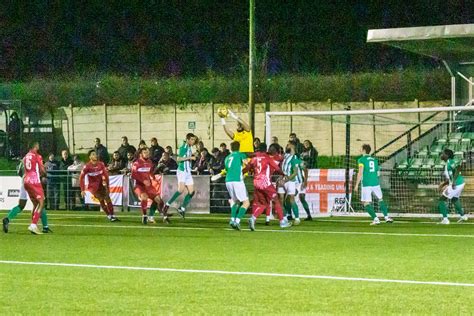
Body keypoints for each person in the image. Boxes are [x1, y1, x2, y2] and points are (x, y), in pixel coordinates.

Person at [246, 143, 291, 230]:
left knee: (264, 204)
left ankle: (253, 219)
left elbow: (249, 164)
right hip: (265, 183)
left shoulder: (256, 156)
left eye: (272, 148)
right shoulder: (268, 158)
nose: (270, 150)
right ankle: (282, 222)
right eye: (270, 148)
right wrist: (284, 174)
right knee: (276, 200)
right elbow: (277, 168)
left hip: (256, 183)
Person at [2, 158, 51, 234]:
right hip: (32, 182)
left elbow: (18, 172)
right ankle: (43, 227)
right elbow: (43, 173)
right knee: (40, 204)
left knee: (21, 205)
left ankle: (7, 219)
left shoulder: (25, 161)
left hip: (24, 180)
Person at [354, 144, 393, 225]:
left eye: (360, 148)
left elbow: (360, 172)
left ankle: (376, 219)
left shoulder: (361, 160)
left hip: (366, 183)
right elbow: (378, 173)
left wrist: (356, 184)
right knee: (380, 199)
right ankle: (386, 217)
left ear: (364, 150)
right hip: (375, 183)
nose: (359, 149)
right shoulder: (374, 160)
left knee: (365, 202)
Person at [215, 141, 249, 230]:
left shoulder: (227, 157)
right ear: (239, 147)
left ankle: (232, 220)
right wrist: (245, 172)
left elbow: (227, 169)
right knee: (246, 203)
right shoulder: (241, 154)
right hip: (237, 180)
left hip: (228, 181)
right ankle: (237, 221)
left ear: (230, 148)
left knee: (235, 201)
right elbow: (247, 164)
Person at [162, 133, 197, 218]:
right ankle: (167, 205)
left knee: (191, 192)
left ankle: (182, 208)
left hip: (188, 172)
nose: (193, 141)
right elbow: (178, 159)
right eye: (192, 139)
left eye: (194, 140)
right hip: (182, 171)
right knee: (180, 190)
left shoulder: (189, 148)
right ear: (188, 139)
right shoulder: (183, 147)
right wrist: (190, 158)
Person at [80, 150, 119, 222]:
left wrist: (106, 183)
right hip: (93, 187)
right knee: (101, 200)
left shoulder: (101, 164)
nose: (95, 155)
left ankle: (112, 215)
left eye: (96, 154)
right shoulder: (87, 166)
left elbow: (105, 174)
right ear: (90, 157)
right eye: (93, 154)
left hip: (101, 185)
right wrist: (82, 189)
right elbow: (81, 177)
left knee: (108, 198)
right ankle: (109, 216)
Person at [131, 147, 168, 224]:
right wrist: (143, 180)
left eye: (148, 152)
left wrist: (153, 178)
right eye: (145, 152)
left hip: (149, 186)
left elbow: (150, 172)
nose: (147, 154)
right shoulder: (136, 163)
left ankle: (151, 216)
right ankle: (144, 216)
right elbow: (133, 175)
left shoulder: (149, 162)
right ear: (141, 154)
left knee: (159, 201)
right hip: (139, 185)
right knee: (144, 198)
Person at [437, 149, 468, 224]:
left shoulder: (450, 162)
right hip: (459, 183)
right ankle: (463, 216)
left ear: (447, 155)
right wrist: (443, 184)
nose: (441, 155)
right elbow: (450, 178)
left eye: (443, 153)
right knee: (454, 199)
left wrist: (454, 181)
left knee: (442, 199)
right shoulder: (447, 164)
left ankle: (445, 219)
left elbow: (458, 168)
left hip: (457, 184)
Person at [23, 141, 47, 234]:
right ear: (35, 146)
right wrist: (45, 173)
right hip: (34, 181)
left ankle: (33, 224)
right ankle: (33, 225)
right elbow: (42, 169)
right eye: (38, 145)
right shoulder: (37, 156)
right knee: (41, 203)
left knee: (35, 204)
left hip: (26, 181)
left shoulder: (25, 156)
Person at [278, 141, 304, 225]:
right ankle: (284, 218)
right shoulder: (284, 157)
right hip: (282, 180)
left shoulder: (294, 158)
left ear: (292, 148)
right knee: (280, 200)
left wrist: (286, 180)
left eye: (288, 145)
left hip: (290, 181)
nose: (287, 146)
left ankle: (297, 218)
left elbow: (295, 172)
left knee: (291, 199)